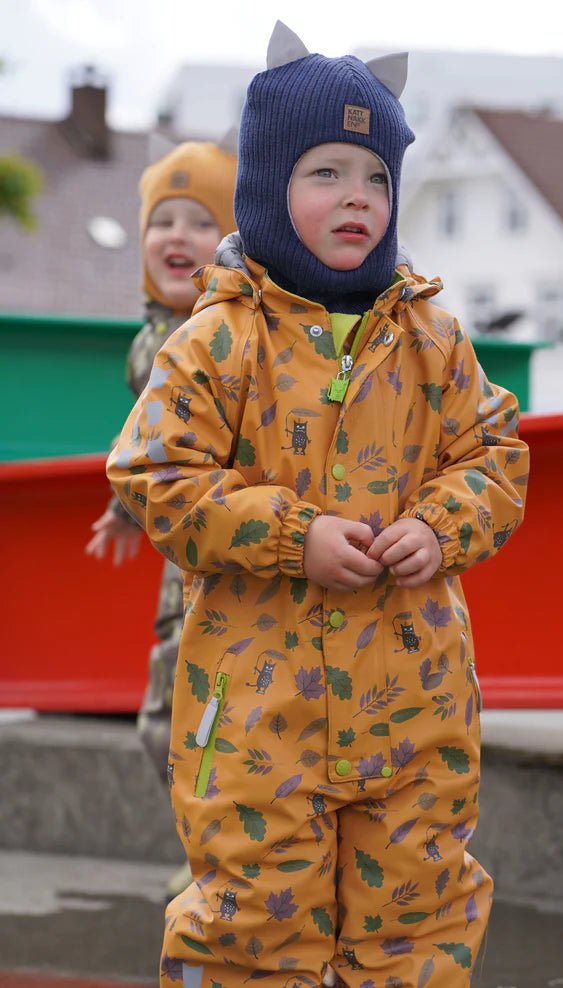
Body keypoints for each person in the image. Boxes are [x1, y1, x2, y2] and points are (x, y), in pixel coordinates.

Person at [107, 20, 529, 988]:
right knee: (252, 924)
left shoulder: (431, 334)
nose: (357, 198)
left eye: (376, 176)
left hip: (414, 712)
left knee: (420, 922)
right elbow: (153, 473)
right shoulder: (217, 340)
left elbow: (493, 451)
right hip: (260, 718)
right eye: (325, 172)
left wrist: (439, 522)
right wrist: (292, 534)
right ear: (264, 184)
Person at [88, 137, 237, 898]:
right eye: (161, 222)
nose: (176, 237)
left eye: (200, 222)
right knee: (164, 721)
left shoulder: (235, 331)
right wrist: (122, 508)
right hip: (183, 573)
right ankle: (206, 845)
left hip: (238, 557)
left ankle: (225, 857)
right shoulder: (148, 343)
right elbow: (142, 440)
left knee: (225, 717)